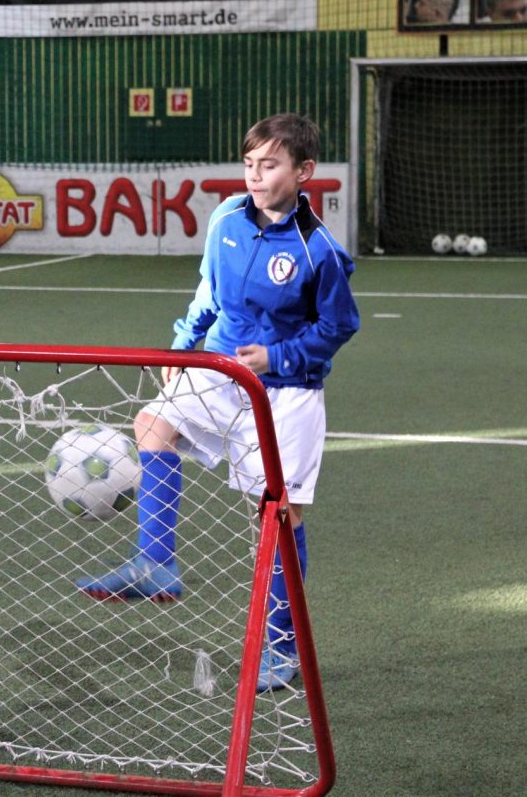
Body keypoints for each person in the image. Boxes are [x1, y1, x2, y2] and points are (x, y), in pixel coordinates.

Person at [75, 113, 360, 692]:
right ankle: (156, 563)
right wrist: (182, 347)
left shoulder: (320, 251)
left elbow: (338, 326)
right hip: (219, 370)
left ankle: (281, 646)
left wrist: (277, 357)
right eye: (249, 163)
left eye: (270, 165)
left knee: (278, 514)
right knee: (152, 423)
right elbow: (209, 289)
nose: (255, 175)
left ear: (304, 172)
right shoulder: (227, 216)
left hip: (286, 393)